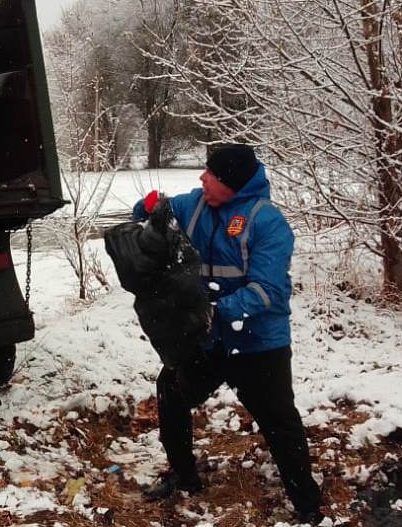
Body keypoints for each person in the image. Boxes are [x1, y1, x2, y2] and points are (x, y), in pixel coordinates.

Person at [132, 144, 325, 525]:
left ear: (232, 183)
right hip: (209, 339)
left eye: (211, 174)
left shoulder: (266, 222)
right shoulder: (195, 205)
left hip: (257, 342)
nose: (202, 178)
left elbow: (268, 290)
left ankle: (307, 505)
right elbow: (149, 212)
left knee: (279, 421)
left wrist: (217, 313)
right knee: (171, 391)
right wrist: (150, 205)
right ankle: (184, 478)